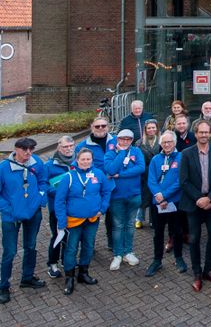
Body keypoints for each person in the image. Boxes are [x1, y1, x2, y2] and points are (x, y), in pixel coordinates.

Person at [0, 137, 48, 304]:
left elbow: (43, 181)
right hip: (11, 218)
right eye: (24, 150)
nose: (28, 153)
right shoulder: (2, 168)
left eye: (31, 149)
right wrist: (11, 210)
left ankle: (27, 278)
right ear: (16, 149)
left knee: (31, 246)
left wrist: (41, 199)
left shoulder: (37, 163)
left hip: (33, 214)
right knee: (10, 252)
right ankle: (3, 286)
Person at [53, 147, 114, 295]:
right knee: (71, 248)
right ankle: (69, 278)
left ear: (92, 160)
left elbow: (106, 192)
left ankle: (83, 273)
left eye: (88, 159)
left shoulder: (98, 174)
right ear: (77, 160)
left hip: (92, 219)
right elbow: (59, 201)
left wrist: (103, 208)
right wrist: (61, 220)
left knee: (88, 246)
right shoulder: (69, 177)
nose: (86, 162)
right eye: (83, 159)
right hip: (73, 221)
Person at [177, 120, 211, 291]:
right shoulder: (186, 153)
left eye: (207, 132)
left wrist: (209, 198)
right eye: (201, 132)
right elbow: (183, 181)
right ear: (196, 134)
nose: (204, 135)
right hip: (194, 203)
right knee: (194, 239)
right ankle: (197, 273)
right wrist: (199, 198)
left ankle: (208, 270)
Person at [104, 128, 145, 271]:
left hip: (134, 195)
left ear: (132, 140)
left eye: (128, 139)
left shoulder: (136, 151)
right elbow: (111, 170)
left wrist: (121, 175)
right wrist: (121, 153)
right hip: (117, 196)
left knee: (129, 224)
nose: (125, 141)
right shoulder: (110, 153)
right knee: (118, 226)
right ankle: (118, 254)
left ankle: (128, 252)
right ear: (117, 140)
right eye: (122, 139)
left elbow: (140, 168)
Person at [145, 131, 185, 278]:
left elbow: (180, 181)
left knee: (177, 231)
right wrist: (158, 197)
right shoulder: (156, 159)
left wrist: (165, 196)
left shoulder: (181, 158)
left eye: (169, 142)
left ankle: (179, 258)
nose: (167, 145)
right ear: (161, 144)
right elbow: (151, 180)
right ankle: (157, 260)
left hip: (174, 202)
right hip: (157, 203)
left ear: (174, 143)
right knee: (158, 233)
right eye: (164, 142)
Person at [76, 116, 115, 249]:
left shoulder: (115, 141)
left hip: (113, 186)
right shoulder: (82, 146)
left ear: (108, 127)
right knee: (91, 217)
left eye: (103, 126)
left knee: (111, 216)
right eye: (97, 126)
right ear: (92, 127)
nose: (100, 128)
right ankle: (89, 246)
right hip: (92, 187)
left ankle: (112, 243)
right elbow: (77, 166)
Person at [44, 136, 76, 280]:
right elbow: (43, 186)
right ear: (58, 147)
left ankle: (66, 260)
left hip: (74, 208)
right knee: (58, 235)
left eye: (71, 146)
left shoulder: (79, 161)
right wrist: (60, 193)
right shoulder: (49, 166)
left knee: (71, 236)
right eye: (65, 147)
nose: (69, 149)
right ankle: (52, 264)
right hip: (57, 209)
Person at [135, 119, 160, 229]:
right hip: (144, 173)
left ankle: (152, 220)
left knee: (154, 195)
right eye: (149, 128)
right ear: (145, 129)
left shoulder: (161, 141)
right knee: (143, 196)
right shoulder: (139, 142)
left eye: (153, 127)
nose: (151, 130)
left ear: (156, 128)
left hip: (157, 172)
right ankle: (139, 218)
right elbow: (137, 159)